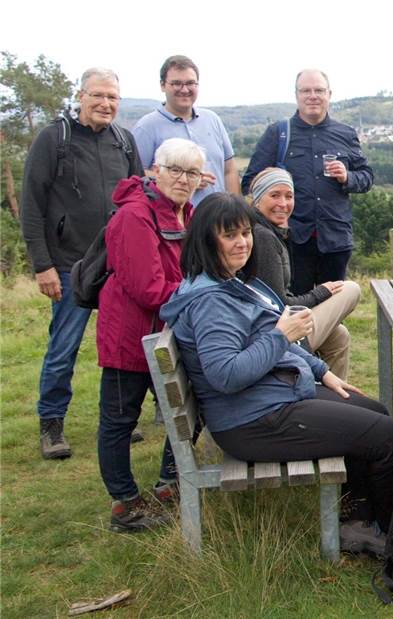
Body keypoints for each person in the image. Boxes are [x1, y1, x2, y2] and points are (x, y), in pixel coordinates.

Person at [159, 194, 393, 554]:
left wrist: (323, 372)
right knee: (388, 435)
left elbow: (265, 338)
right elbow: (226, 374)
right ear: (206, 240)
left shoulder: (228, 284)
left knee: (375, 412)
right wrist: (282, 335)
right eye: (230, 235)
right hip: (252, 421)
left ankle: (357, 522)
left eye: (245, 232)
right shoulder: (212, 302)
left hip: (270, 397)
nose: (243, 242)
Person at [19, 67, 143, 460]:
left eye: (113, 97)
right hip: (70, 262)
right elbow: (33, 206)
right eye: (98, 95)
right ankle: (51, 424)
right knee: (64, 347)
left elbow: (138, 197)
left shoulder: (124, 141)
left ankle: (122, 419)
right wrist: (42, 265)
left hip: (116, 263)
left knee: (123, 345)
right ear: (81, 96)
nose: (105, 104)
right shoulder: (54, 139)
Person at [97, 138, 203, 532]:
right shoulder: (134, 217)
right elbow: (149, 289)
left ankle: (168, 485)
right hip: (129, 334)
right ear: (154, 170)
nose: (183, 179)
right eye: (174, 169)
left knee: (191, 408)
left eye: (191, 172)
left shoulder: (184, 213)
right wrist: (204, 294)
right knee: (120, 419)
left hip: (167, 334)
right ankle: (124, 503)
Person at [241, 69, 373, 294]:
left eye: (319, 90)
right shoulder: (278, 134)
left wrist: (347, 177)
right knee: (295, 306)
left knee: (334, 306)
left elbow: (367, 177)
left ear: (329, 94)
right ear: (297, 95)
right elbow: (250, 182)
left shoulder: (346, 133)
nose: (313, 96)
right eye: (306, 90)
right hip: (290, 240)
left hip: (335, 238)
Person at [248, 167, 361, 380]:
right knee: (351, 289)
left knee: (339, 336)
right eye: (274, 195)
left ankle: (335, 402)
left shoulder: (268, 230)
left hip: (268, 323)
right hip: (276, 333)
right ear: (257, 199)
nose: (283, 203)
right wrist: (321, 293)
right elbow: (279, 303)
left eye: (289, 196)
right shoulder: (263, 237)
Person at [132, 55, 239, 206]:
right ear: (163, 85)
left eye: (190, 83)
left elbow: (229, 170)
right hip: (172, 223)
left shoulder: (212, 120)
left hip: (218, 221)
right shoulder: (146, 127)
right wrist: (189, 177)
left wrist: (235, 210)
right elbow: (136, 174)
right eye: (176, 83)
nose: (184, 89)